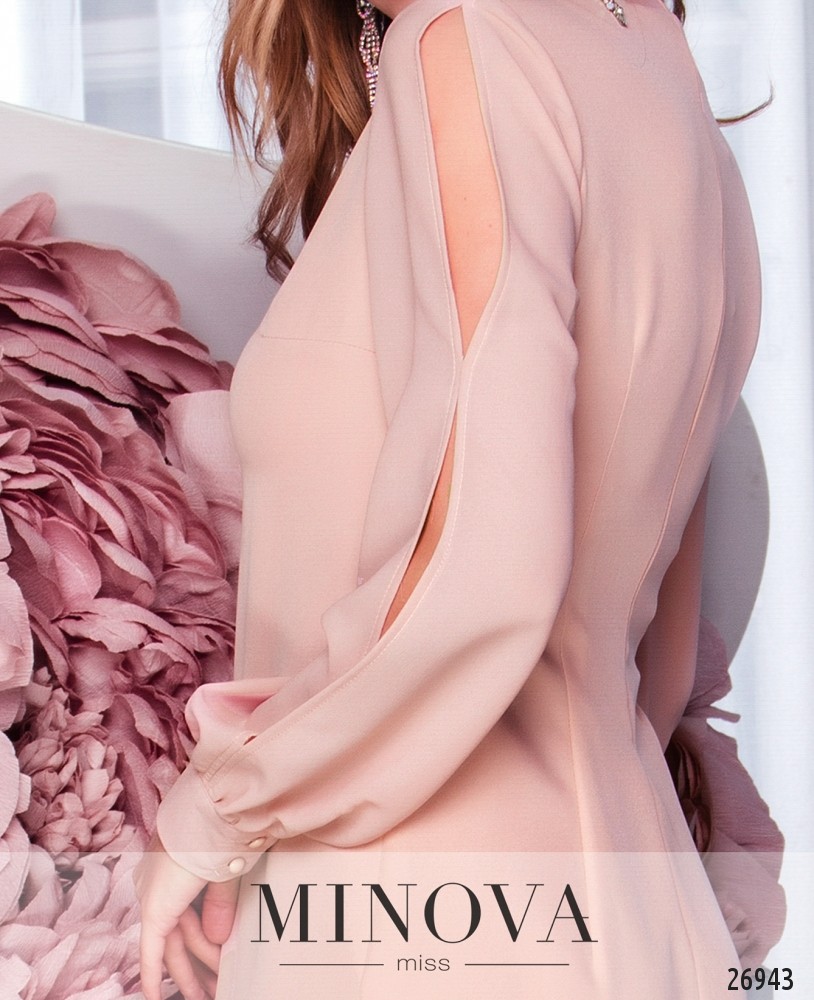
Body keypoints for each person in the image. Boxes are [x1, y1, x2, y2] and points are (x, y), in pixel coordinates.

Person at [135, 0, 779, 996]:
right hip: (631, 896)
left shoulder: (468, 41)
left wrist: (225, 810)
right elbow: (653, 661)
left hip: (414, 911)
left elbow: (487, 561)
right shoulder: (656, 62)